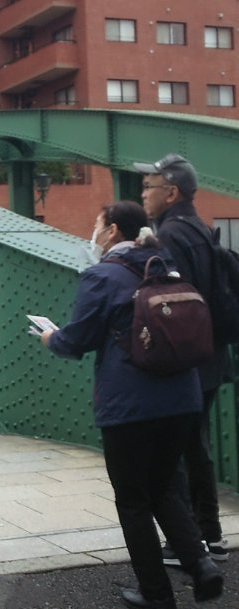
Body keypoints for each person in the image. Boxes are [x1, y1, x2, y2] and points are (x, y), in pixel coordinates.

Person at [41, 200, 223, 609]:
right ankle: (201, 566)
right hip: (183, 398)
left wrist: (51, 337)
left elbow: (76, 341)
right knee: (164, 486)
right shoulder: (167, 267)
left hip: (130, 405)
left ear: (113, 231)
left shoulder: (102, 276)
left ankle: (157, 596)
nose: (93, 233)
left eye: (97, 225)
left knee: (133, 499)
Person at [134, 153, 229, 565]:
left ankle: (187, 542)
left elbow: (168, 300)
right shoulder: (200, 227)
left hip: (184, 356)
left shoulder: (170, 234)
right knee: (195, 446)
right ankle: (211, 535)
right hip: (211, 353)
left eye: (148, 187)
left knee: (172, 451)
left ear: (171, 192)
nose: (143, 194)